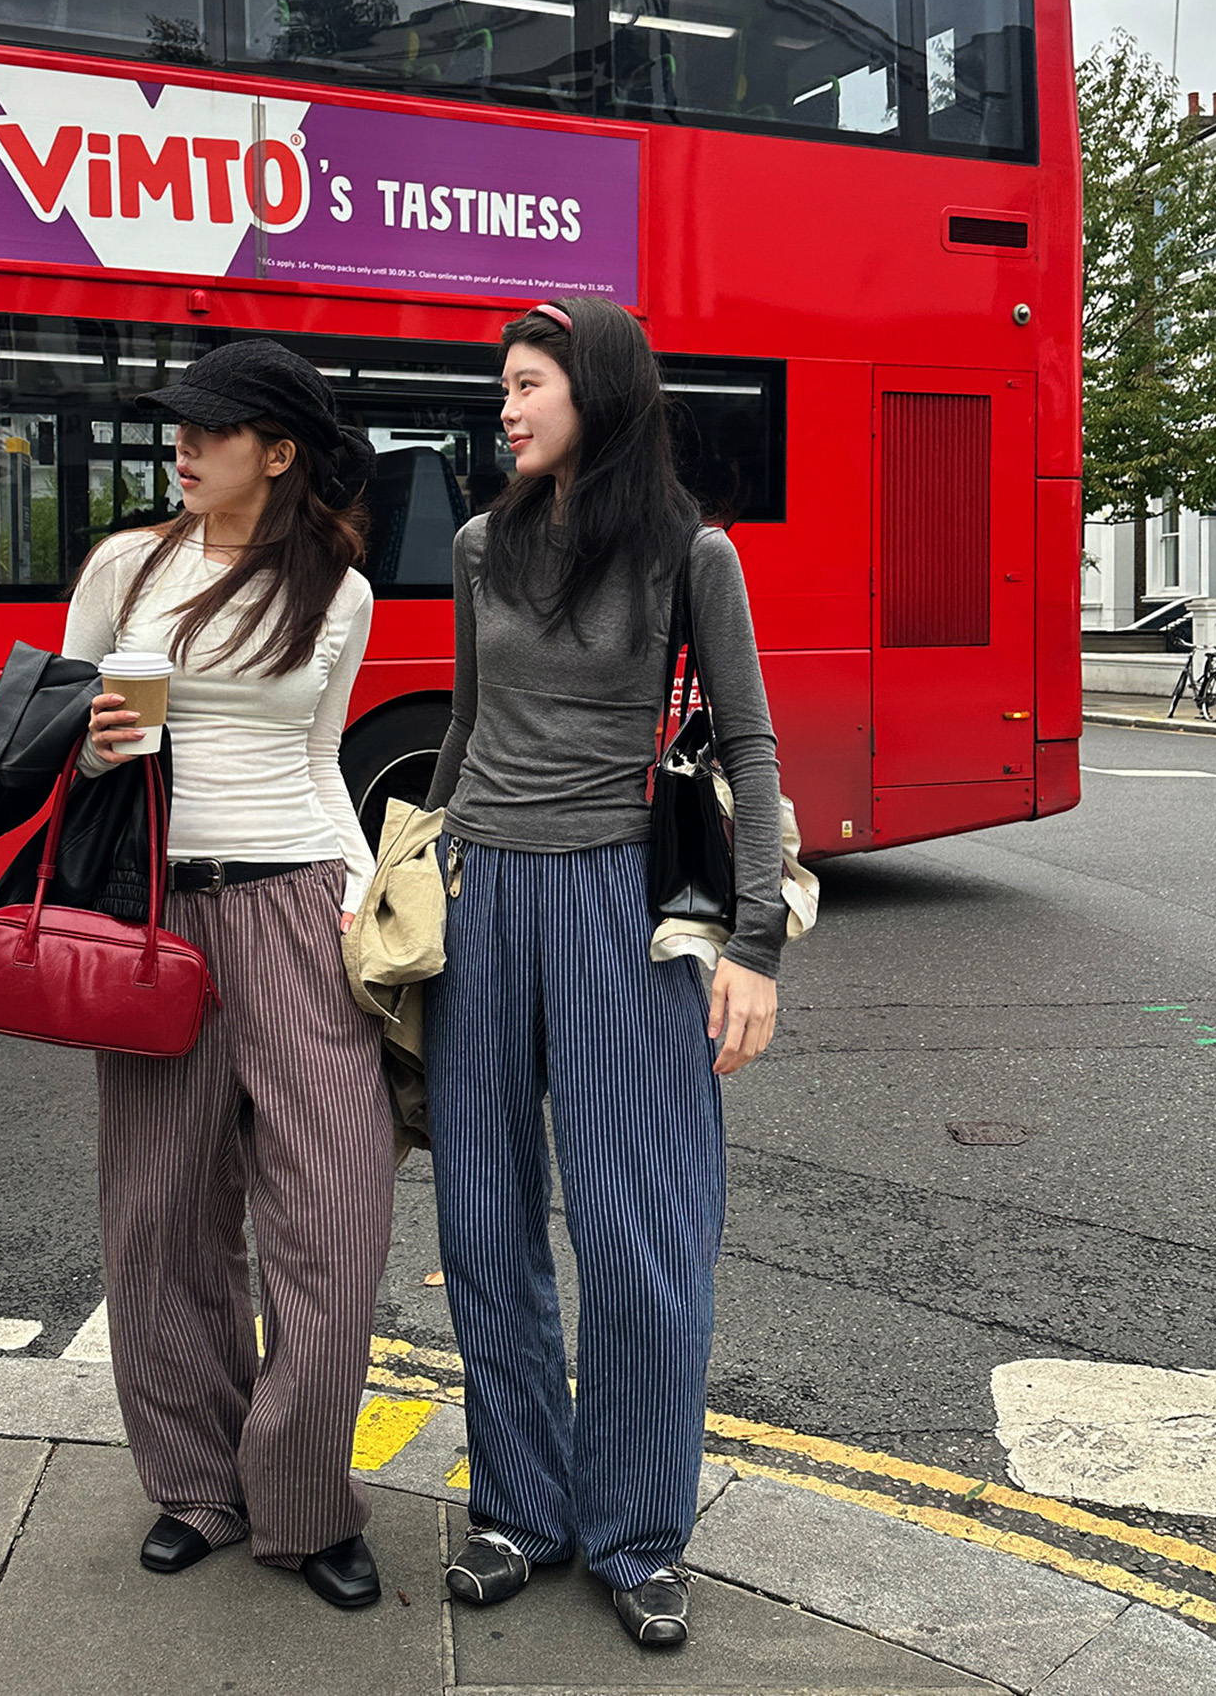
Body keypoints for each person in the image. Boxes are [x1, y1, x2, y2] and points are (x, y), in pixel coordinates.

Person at [423, 297, 783, 1650]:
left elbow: (747, 747)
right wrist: (408, 880)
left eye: (530, 384)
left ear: (601, 393)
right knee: (483, 1216)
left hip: (622, 903)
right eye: (505, 387)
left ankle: (636, 1532)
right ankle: (521, 1507)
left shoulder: (692, 555)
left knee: (640, 1232)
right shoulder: (479, 545)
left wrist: (753, 945)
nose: (506, 407)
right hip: (482, 894)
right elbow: (466, 725)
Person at [62, 339, 393, 1612]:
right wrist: (96, 749)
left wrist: (358, 897)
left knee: (335, 1210)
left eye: (212, 429)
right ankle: (196, 1485)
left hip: (299, 904)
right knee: (160, 1213)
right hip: (163, 918)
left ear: (280, 450)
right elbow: (60, 740)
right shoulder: (127, 568)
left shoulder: (338, 591)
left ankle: (302, 1498)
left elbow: (320, 759)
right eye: (179, 428)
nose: (184, 447)